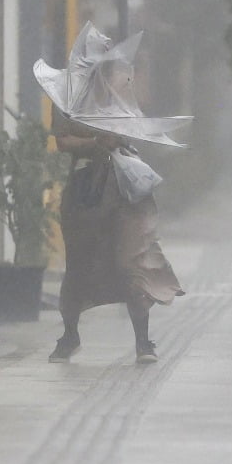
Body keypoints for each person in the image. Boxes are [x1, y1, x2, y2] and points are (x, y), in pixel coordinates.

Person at [48, 105, 184, 364]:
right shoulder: (67, 96)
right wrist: (96, 142)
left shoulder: (118, 86)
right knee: (79, 262)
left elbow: (136, 125)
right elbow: (63, 141)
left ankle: (143, 341)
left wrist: (119, 134)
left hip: (126, 186)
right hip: (87, 189)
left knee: (131, 259)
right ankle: (70, 335)